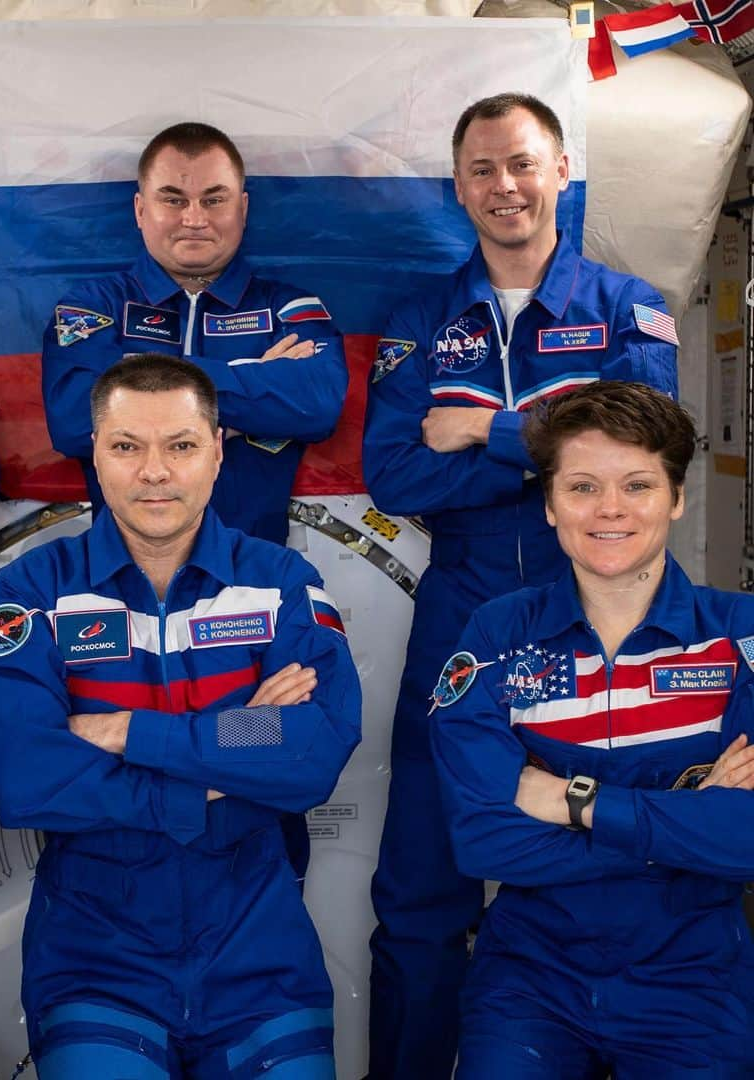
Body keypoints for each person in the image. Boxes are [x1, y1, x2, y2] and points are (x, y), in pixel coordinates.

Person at [362, 93, 680, 1079]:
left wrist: (483, 430)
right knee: (421, 890)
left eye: (524, 165)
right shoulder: (420, 322)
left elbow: (642, 450)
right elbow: (398, 476)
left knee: (612, 865)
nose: (506, 186)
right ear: (459, 187)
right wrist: (560, 448)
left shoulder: (631, 308)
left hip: (604, 615)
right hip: (460, 614)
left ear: (561, 175)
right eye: (485, 170)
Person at [0, 354, 361, 1079]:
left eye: (179, 446)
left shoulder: (279, 581)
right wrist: (229, 746)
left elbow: (313, 749)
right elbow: (29, 777)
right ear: (95, 454)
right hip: (96, 956)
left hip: (261, 952)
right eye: (127, 446)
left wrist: (130, 733)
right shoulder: (31, 588)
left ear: (216, 453)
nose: (155, 471)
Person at [431, 380, 754, 1078]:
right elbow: (483, 839)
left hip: (695, 980)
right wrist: (686, 819)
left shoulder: (741, 639)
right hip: (529, 979)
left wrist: (571, 802)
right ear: (549, 506)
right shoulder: (496, 634)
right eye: (582, 487)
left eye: (637, 485)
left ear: (676, 498)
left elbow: (748, 840)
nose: (610, 509)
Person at [41, 121, 347, 548]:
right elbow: (74, 421)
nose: (194, 219)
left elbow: (318, 406)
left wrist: (134, 382)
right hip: (125, 574)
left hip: (251, 576)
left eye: (213, 199)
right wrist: (251, 380)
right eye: (173, 199)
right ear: (140, 209)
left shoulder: (288, 309)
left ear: (242, 208)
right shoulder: (94, 308)